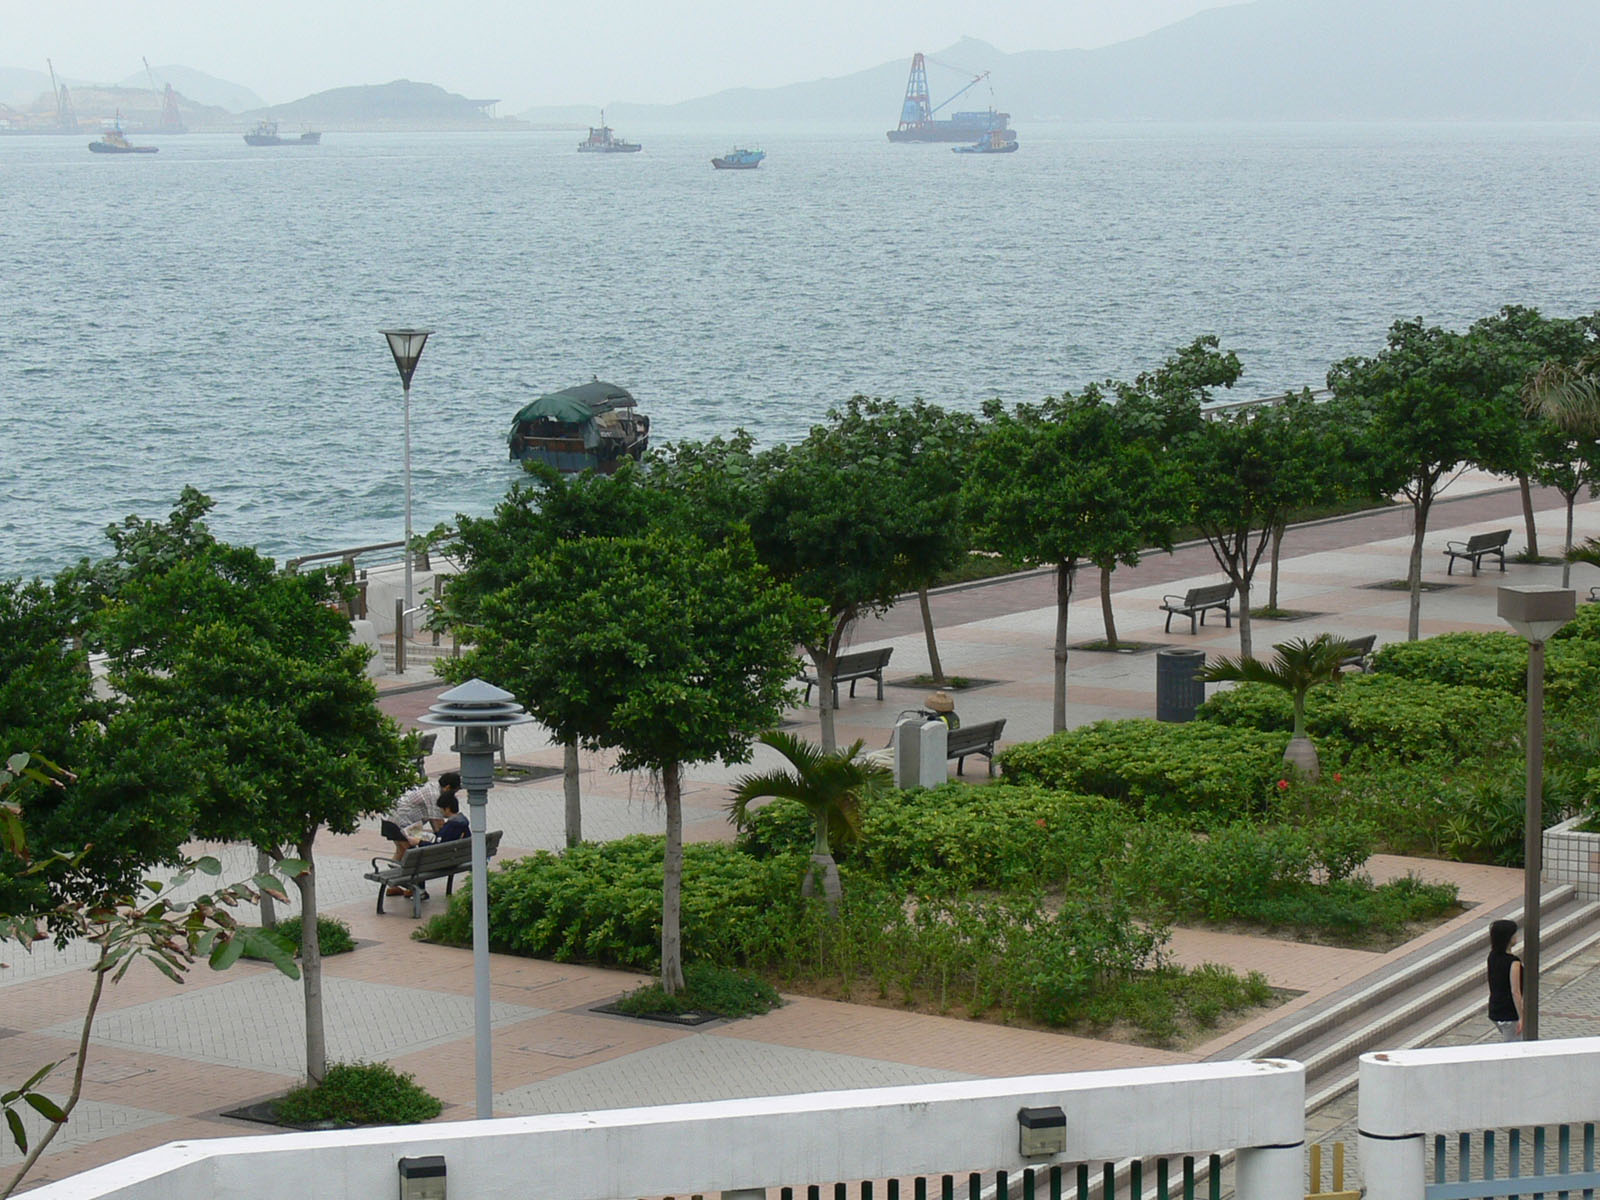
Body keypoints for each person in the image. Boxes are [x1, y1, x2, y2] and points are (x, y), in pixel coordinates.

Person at [380, 770, 461, 862]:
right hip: (399, 822)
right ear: (447, 787)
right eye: (454, 792)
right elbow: (438, 825)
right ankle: (396, 873)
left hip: (394, 818)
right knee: (408, 853)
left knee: (402, 851)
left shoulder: (433, 787)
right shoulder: (435, 795)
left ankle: (392, 873)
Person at [1486, 918, 1524, 1041]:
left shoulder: (1492, 956)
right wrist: (1521, 1016)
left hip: (1495, 1008)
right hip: (1509, 1013)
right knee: (1515, 1046)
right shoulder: (1513, 962)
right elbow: (1515, 991)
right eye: (1514, 933)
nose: (1516, 935)